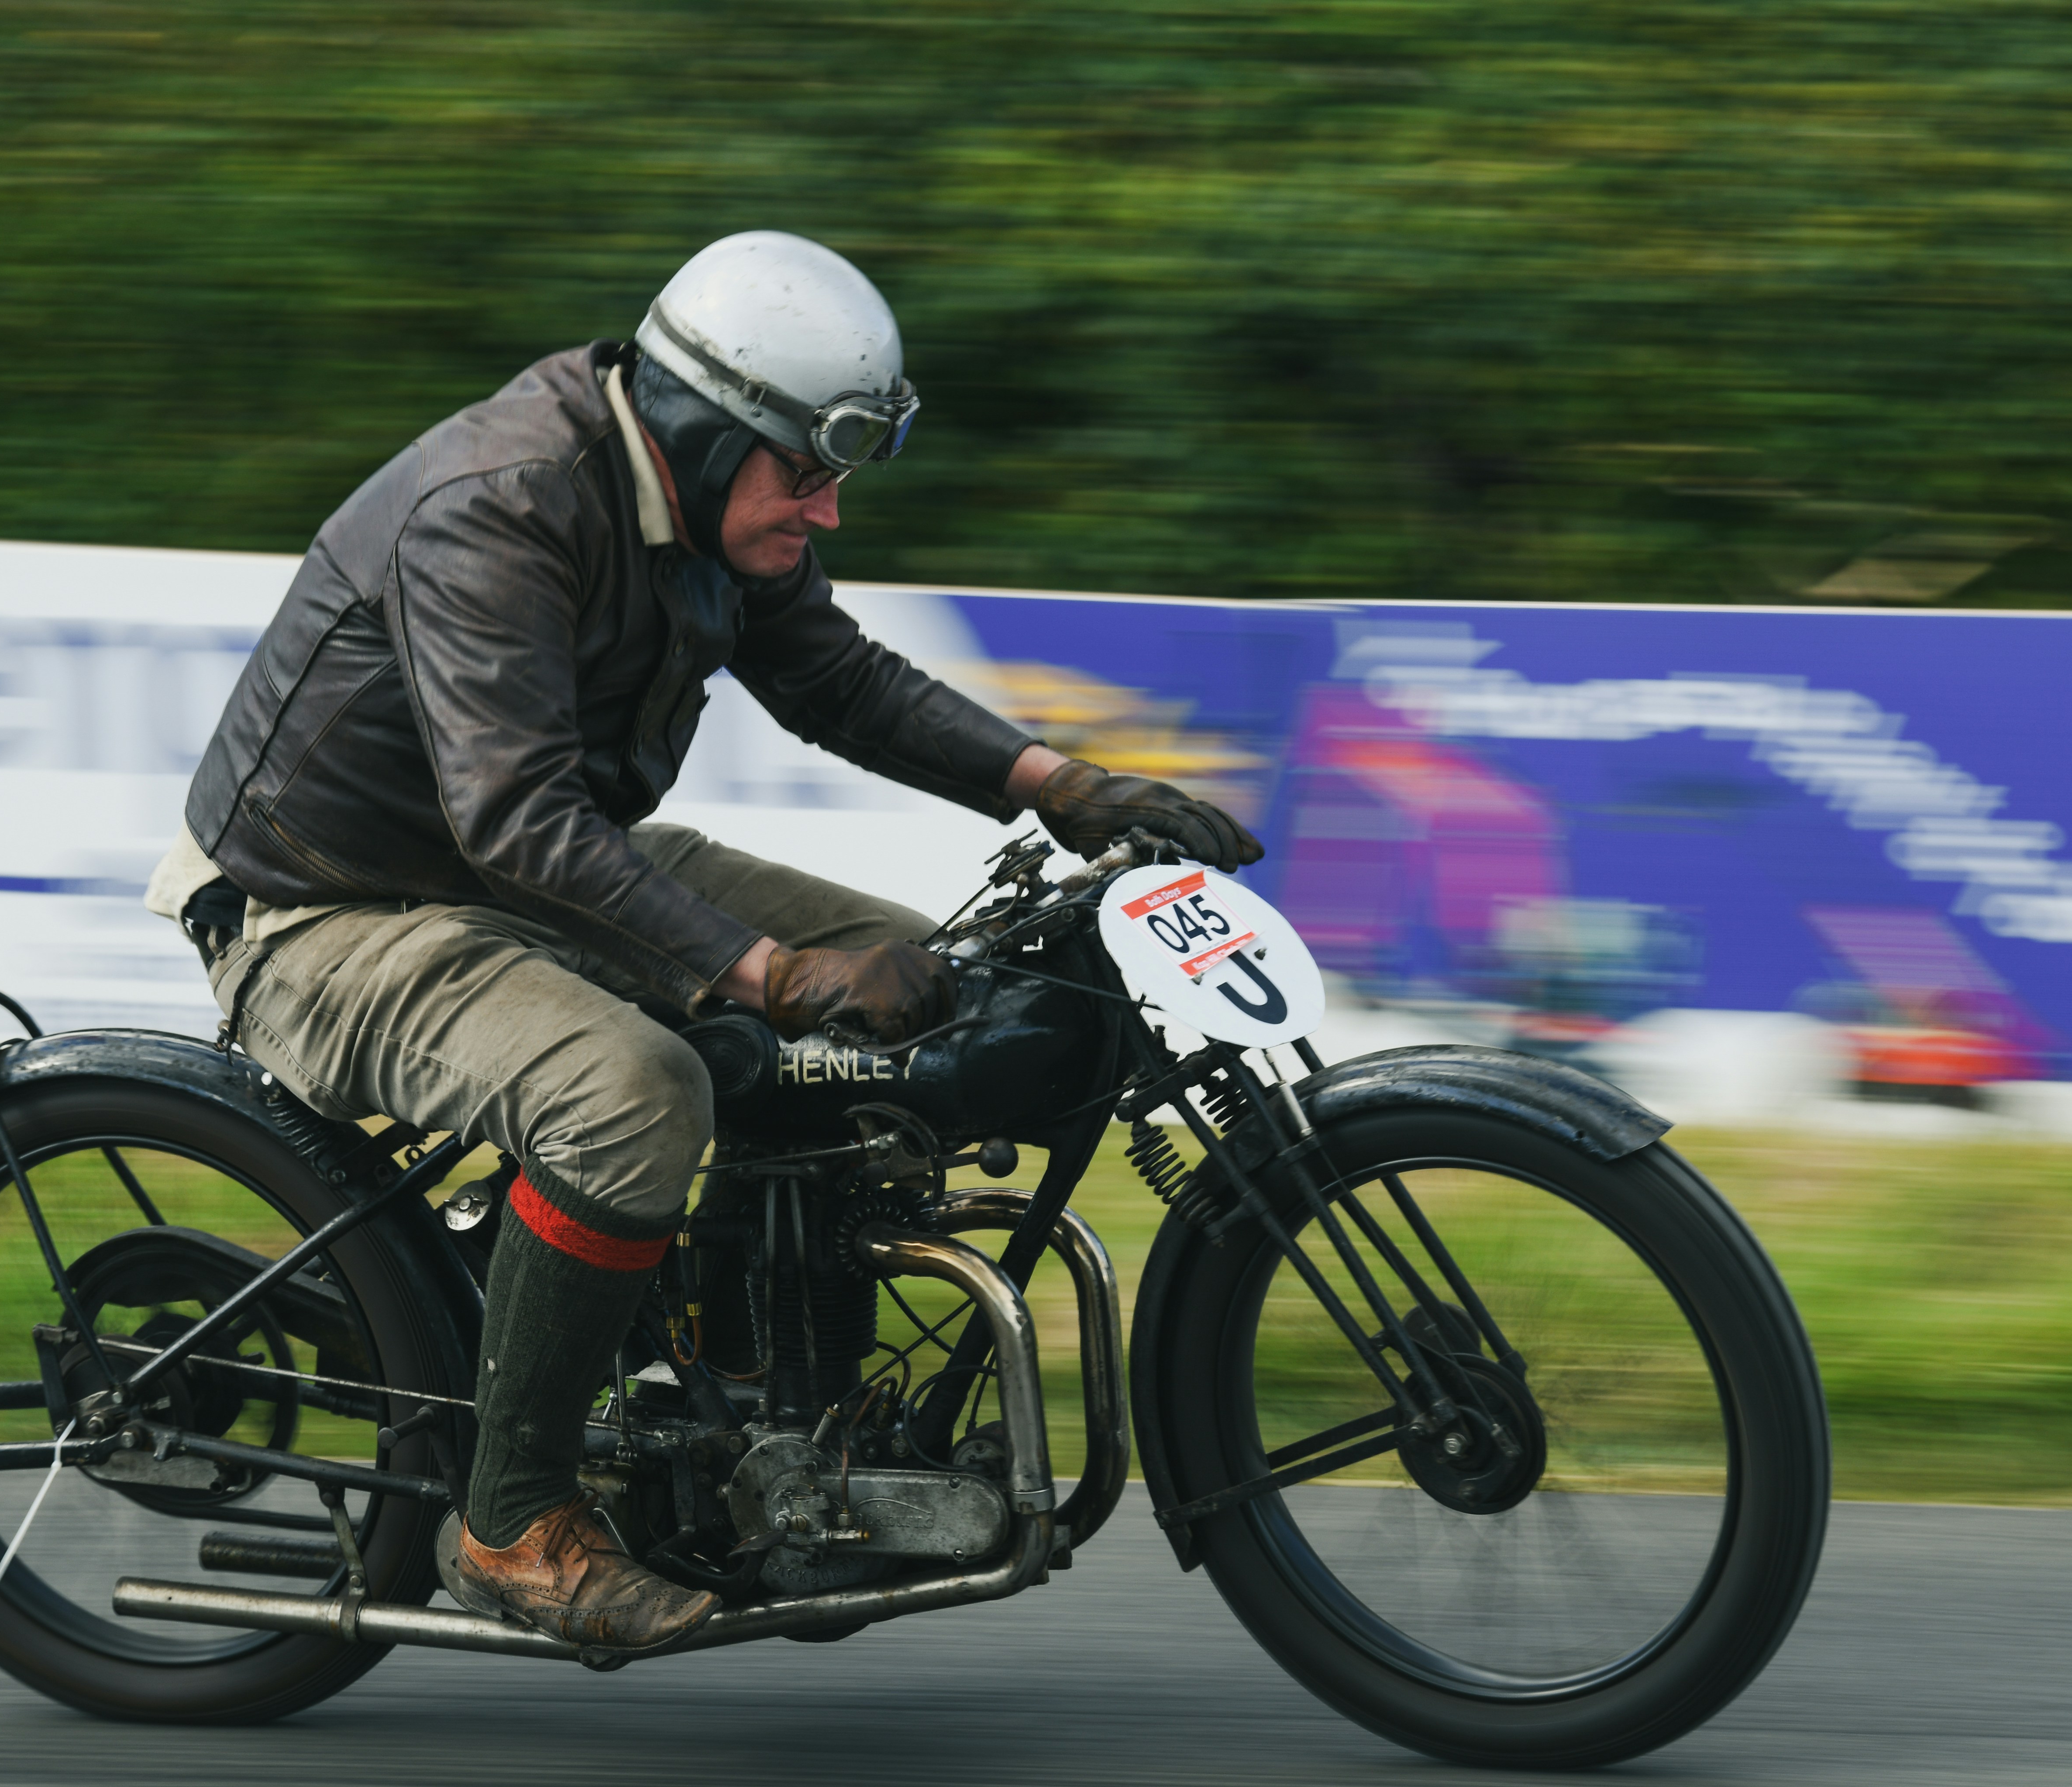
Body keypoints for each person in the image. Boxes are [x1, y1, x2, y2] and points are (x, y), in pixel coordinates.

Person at [147, 230, 1257, 1653]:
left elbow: (838, 680)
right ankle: (511, 1526)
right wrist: (770, 974)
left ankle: (777, 1409)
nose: (830, 510)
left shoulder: (710, 505)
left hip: (533, 874)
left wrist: (1069, 789)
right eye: (806, 472)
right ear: (699, 428)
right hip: (328, 910)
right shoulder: (501, 504)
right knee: (633, 1097)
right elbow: (517, 818)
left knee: (948, 994)